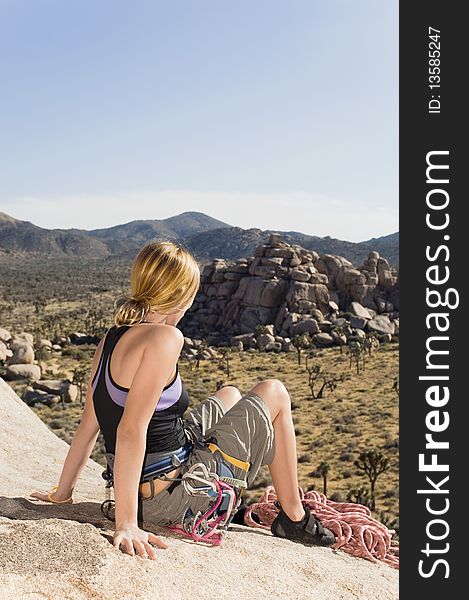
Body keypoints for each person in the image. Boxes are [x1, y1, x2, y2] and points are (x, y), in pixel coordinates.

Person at [30, 240, 335, 559]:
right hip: (171, 494)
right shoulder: (165, 338)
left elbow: (88, 427)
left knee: (230, 394)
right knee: (274, 391)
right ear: (182, 297)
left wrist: (61, 495)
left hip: (154, 474)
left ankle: (248, 501)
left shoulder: (111, 338)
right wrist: (127, 524)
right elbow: (131, 430)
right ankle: (295, 517)